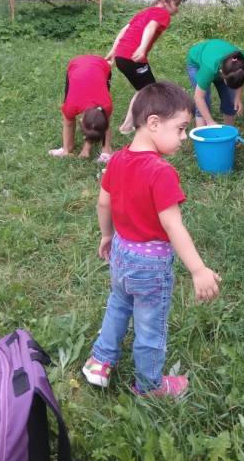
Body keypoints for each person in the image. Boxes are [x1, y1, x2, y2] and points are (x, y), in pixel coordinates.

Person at [82, 82, 221, 397]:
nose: (184, 137)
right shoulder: (160, 171)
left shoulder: (117, 159)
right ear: (154, 123)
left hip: (121, 253)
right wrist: (198, 269)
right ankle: (149, 386)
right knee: (150, 326)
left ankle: (100, 361)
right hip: (150, 265)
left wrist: (107, 235)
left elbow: (103, 203)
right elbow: (173, 226)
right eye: (181, 129)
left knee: (118, 304)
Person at [106, 0, 186, 134]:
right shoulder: (162, 13)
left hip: (121, 56)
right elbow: (151, 27)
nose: (177, 9)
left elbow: (124, 30)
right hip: (133, 57)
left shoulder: (145, 12)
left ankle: (128, 126)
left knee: (143, 90)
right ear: (164, 1)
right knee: (150, 91)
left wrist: (113, 51)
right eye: (176, 4)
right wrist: (142, 48)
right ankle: (140, 124)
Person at [49, 54, 113, 163]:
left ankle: (106, 151)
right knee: (68, 117)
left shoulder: (106, 106)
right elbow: (68, 123)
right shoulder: (71, 106)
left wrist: (86, 148)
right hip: (76, 65)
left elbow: (104, 124)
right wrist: (66, 151)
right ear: (81, 120)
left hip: (100, 66)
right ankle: (67, 148)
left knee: (103, 121)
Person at [186, 39, 244, 127]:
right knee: (204, 101)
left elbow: (240, 79)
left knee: (230, 99)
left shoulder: (242, 64)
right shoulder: (209, 69)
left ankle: (228, 131)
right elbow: (198, 97)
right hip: (197, 63)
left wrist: (238, 97)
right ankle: (201, 132)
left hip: (219, 62)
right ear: (222, 73)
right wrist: (210, 122)